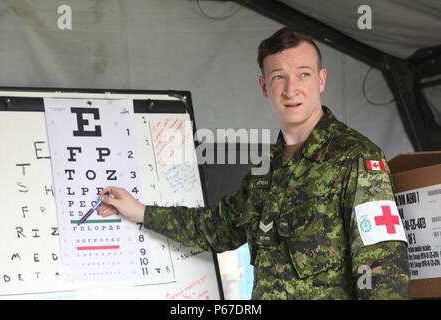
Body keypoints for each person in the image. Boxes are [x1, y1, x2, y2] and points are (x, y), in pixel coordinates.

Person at [96, 26, 410, 299]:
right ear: (264, 87)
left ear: (321, 80)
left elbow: (383, 266)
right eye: (279, 77)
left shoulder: (356, 157)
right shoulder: (266, 169)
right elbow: (217, 228)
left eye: (303, 74)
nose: (291, 90)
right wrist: (140, 211)